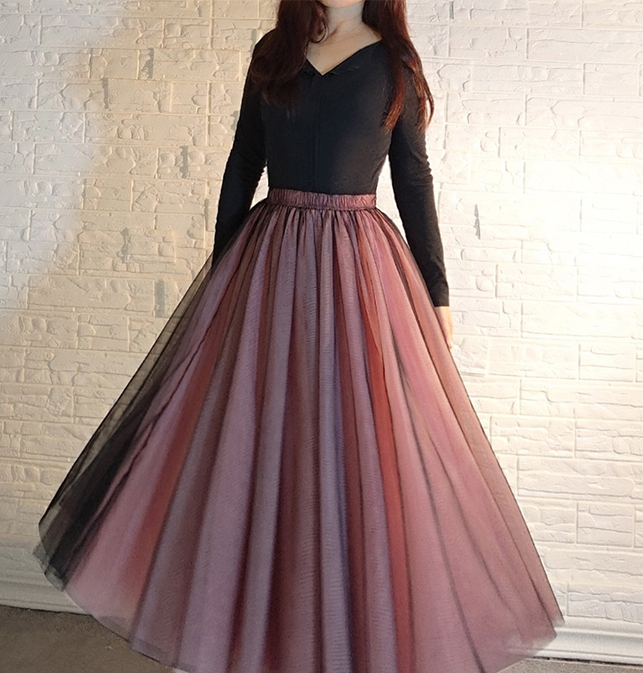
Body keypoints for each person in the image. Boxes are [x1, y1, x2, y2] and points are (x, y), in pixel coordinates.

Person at [33, 1, 565, 672]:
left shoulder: (393, 64)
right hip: (271, 266)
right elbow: (242, 162)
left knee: (355, 442)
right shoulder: (274, 54)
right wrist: (221, 274)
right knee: (260, 438)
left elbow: (413, 178)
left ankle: (348, 634)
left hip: (359, 273)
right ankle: (263, 628)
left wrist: (437, 291)